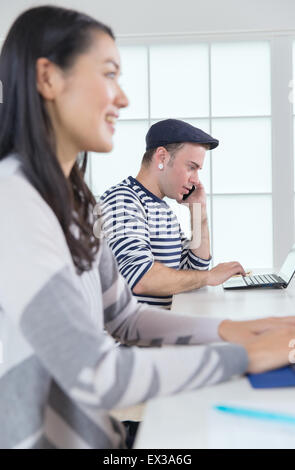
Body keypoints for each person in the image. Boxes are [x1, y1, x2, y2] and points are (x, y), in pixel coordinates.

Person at [0, 5, 295, 450]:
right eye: (109, 74)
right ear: (48, 78)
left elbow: (124, 316)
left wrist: (233, 330)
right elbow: (92, 369)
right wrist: (244, 354)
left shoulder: (75, 202)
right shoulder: (15, 202)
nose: (123, 98)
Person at [100, 119, 245, 308]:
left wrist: (198, 212)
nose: (195, 180)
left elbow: (193, 270)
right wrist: (210, 277)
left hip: (161, 327)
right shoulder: (123, 201)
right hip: (131, 336)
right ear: (162, 158)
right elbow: (141, 278)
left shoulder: (162, 209)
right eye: (191, 167)